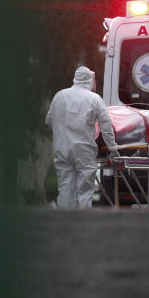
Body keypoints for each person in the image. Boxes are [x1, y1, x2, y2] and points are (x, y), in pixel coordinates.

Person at [46, 66, 119, 209]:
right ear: (90, 80)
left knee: (65, 187)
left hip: (62, 149)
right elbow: (106, 126)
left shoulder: (59, 95)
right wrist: (113, 148)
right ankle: (82, 225)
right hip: (84, 150)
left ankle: (64, 223)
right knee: (85, 190)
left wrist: (62, 133)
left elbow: (49, 120)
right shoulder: (94, 99)